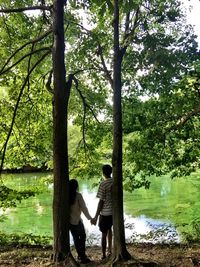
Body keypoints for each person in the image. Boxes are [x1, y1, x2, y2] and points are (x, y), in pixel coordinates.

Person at [91, 164, 113, 259]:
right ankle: (110, 251)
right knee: (110, 230)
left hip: (105, 213)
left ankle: (104, 254)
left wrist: (96, 216)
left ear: (103, 173)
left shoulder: (103, 184)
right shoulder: (115, 182)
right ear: (111, 172)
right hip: (114, 213)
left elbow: (101, 202)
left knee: (104, 234)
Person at [69, 179, 92, 264]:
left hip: (70, 223)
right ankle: (82, 257)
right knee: (82, 237)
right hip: (78, 221)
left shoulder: (66, 196)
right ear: (76, 187)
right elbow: (84, 208)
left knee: (76, 239)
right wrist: (90, 218)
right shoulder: (78, 195)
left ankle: (80, 255)